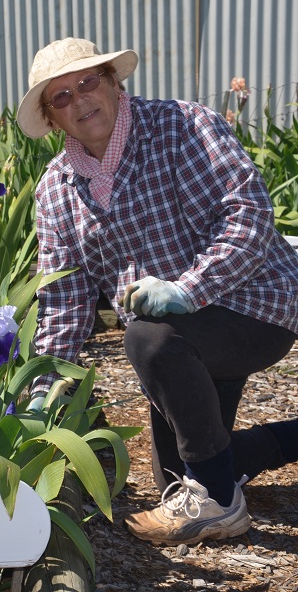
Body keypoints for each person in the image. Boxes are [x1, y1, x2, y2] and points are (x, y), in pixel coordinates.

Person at [17, 37, 298, 546]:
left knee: (148, 340)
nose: (80, 101)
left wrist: (189, 290)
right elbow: (64, 300)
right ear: (51, 118)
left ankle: (220, 507)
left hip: (254, 303)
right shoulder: (56, 189)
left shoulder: (183, 126)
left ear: (114, 82)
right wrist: (45, 387)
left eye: (88, 82)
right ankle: (269, 450)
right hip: (179, 337)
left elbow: (250, 216)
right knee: (177, 479)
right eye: (60, 97)